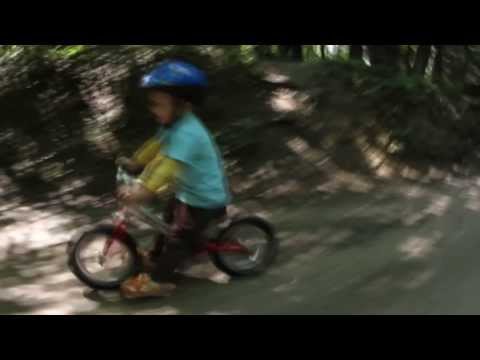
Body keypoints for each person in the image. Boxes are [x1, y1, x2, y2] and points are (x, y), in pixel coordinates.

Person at [116, 60, 231, 299]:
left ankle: (157, 281)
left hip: (204, 200)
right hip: (188, 193)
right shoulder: (173, 125)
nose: (153, 109)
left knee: (178, 238)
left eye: (158, 104)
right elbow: (156, 145)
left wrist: (144, 190)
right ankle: (159, 258)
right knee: (167, 221)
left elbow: (167, 166)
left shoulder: (188, 133)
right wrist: (136, 162)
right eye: (152, 103)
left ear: (181, 103)